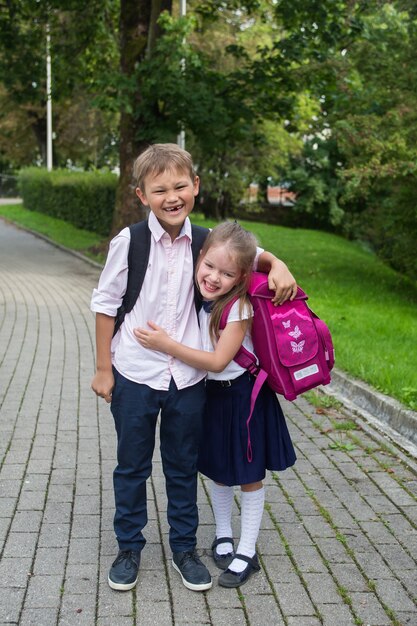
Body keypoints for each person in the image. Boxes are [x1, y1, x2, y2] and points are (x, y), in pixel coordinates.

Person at [90, 143, 297, 594]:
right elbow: (105, 306)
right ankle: (129, 547)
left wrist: (277, 264)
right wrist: (103, 369)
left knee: (182, 467)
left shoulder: (207, 240)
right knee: (131, 466)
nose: (171, 196)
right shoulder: (130, 242)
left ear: (195, 187)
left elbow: (250, 254)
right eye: (159, 188)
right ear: (141, 195)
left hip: (188, 379)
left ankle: (184, 548)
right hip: (135, 372)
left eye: (180, 185)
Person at [135, 221, 297, 589]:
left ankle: (247, 550)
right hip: (212, 397)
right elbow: (241, 251)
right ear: (200, 256)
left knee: (249, 475)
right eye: (208, 266)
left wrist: (165, 345)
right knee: (220, 470)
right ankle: (223, 534)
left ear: (241, 277)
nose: (213, 277)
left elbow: (217, 362)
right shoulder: (202, 292)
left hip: (243, 398)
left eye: (226, 274)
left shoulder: (238, 308)